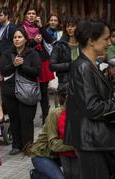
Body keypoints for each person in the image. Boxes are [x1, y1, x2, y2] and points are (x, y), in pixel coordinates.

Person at [64, 19, 115, 179]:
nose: (109, 43)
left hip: (96, 140)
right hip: (91, 141)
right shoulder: (82, 67)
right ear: (92, 41)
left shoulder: (90, 64)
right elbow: (92, 106)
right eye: (106, 38)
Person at [0, 28, 41, 155]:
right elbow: (3, 71)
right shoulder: (7, 53)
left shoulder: (32, 53)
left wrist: (22, 66)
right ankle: (16, 145)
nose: (17, 39)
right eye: (15, 37)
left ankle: (28, 146)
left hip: (27, 92)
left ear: (25, 39)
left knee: (27, 120)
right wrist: (14, 65)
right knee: (14, 119)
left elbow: (37, 72)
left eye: (20, 37)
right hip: (10, 92)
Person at [26, 88, 78, 179]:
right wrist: (77, 144)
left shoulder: (78, 113)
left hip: (60, 156)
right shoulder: (55, 114)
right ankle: (37, 175)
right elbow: (53, 145)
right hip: (42, 155)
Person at [22, 9, 54, 124]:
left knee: (44, 92)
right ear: (25, 16)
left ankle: (46, 119)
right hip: (30, 62)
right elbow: (23, 46)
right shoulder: (22, 29)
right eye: (29, 13)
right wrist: (34, 42)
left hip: (43, 61)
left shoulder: (39, 28)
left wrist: (40, 27)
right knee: (31, 91)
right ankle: (29, 119)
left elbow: (50, 40)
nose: (31, 15)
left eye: (33, 14)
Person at [50, 16, 80, 91]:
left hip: (82, 83)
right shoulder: (59, 45)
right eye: (67, 26)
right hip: (65, 84)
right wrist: (69, 65)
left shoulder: (83, 44)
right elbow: (52, 66)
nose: (70, 28)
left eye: (72, 26)